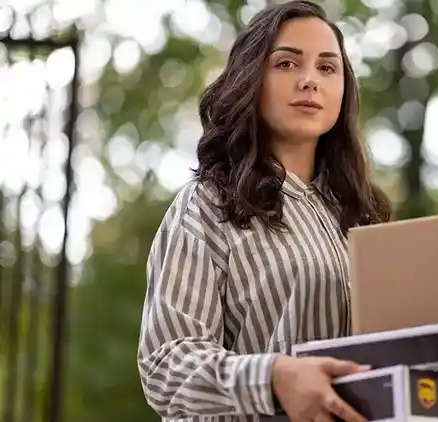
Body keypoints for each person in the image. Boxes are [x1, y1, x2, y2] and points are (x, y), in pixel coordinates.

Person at [136, 1, 392, 421]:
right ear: (250, 78)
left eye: (328, 69)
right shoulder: (206, 206)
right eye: (287, 63)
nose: (310, 80)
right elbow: (165, 365)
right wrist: (273, 377)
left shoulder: (365, 218)